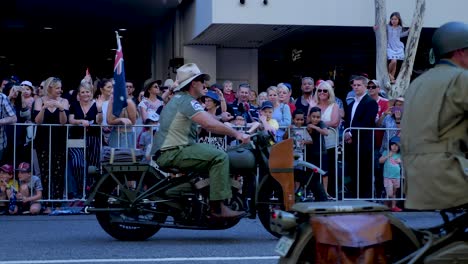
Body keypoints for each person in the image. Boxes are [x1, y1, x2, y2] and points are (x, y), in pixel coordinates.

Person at [150, 63, 249, 220]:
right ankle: (217, 207)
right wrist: (236, 133)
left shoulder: (181, 99)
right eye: (202, 80)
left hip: (174, 149)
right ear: (193, 83)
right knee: (220, 157)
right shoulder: (187, 101)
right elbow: (208, 124)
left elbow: (205, 119)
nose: (205, 84)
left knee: (209, 153)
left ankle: (200, 195)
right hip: (174, 151)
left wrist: (220, 120)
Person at [401, 21, 468, 210]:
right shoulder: (460, 79)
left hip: (415, 183)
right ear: (460, 52)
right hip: (449, 178)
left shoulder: (417, 83)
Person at [344, 75, 378, 198]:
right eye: (354, 85)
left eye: (359, 85)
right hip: (351, 142)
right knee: (353, 168)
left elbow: (367, 122)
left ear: (365, 86)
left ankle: (366, 196)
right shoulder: (351, 103)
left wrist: (352, 133)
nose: (356, 87)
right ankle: (354, 194)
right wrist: (347, 133)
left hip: (364, 142)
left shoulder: (371, 102)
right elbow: (348, 120)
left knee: (365, 169)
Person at [377, 12, 410, 84]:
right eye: (392, 19)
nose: (394, 21)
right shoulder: (387, 26)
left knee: (395, 63)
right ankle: (388, 74)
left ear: (398, 20)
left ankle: (391, 78)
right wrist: (375, 28)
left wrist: (408, 32)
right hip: (390, 46)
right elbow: (380, 29)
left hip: (398, 46)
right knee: (393, 61)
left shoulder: (400, 28)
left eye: (395, 19)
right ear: (390, 20)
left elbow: (400, 36)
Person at [379, 137, 402, 212]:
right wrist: (387, 156)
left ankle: (393, 206)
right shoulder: (386, 152)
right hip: (387, 176)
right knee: (389, 193)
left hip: (397, 176)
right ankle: (386, 205)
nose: (394, 147)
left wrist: (400, 161)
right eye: (392, 145)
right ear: (390, 145)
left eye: (396, 145)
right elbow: (380, 161)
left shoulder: (400, 154)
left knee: (394, 193)